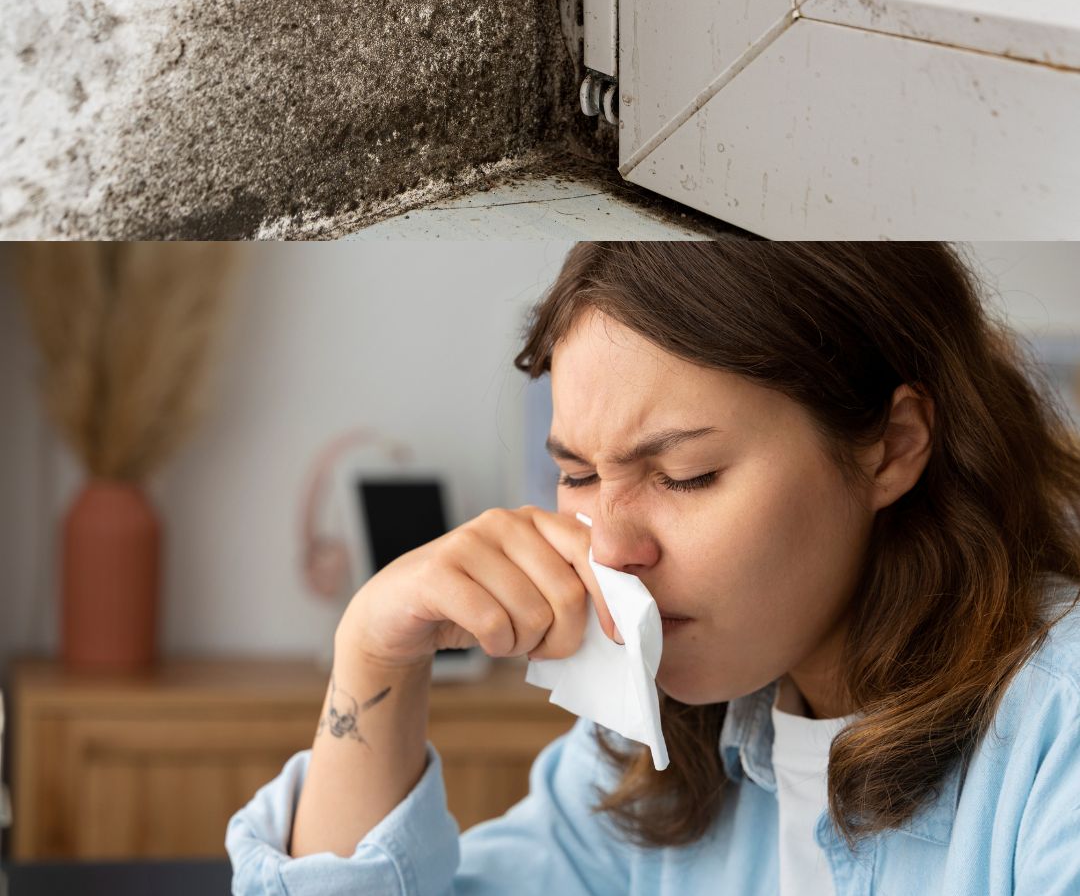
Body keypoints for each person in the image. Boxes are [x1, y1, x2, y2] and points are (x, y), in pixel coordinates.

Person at [227, 241, 1080, 895]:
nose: (610, 546)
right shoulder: (649, 748)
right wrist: (374, 658)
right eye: (577, 475)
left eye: (684, 477)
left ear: (890, 448)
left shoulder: (1056, 730)